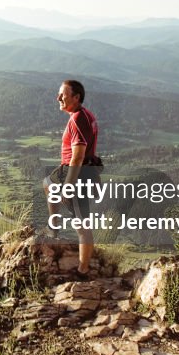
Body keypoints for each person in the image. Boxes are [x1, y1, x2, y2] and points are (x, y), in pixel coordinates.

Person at [43, 79, 102, 278]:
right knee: (48, 184)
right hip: (76, 171)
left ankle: (83, 270)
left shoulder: (78, 119)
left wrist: (68, 186)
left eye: (63, 94)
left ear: (76, 98)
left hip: (78, 175)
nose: (58, 97)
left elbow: (78, 156)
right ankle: (54, 228)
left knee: (82, 226)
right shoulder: (84, 115)